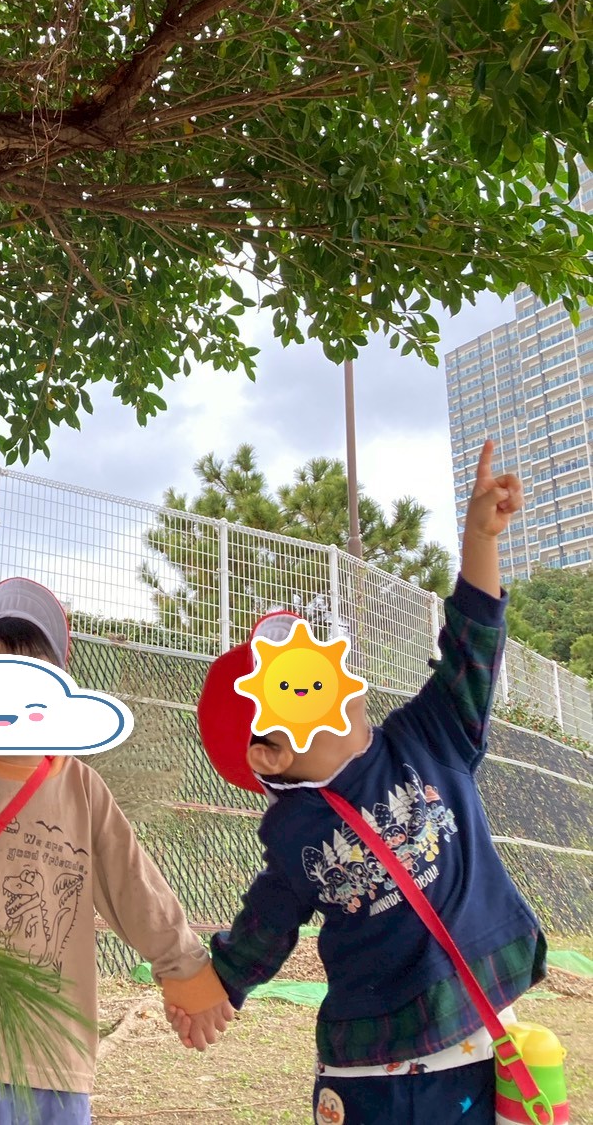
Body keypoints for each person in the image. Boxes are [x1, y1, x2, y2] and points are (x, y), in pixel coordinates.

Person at [179, 441, 545, 1124]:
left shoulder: (429, 734)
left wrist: (479, 539)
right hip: (366, 1070)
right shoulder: (292, 832)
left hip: (472, 1042)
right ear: (269, 757)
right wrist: (213, 988)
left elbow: (472, 643)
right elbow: (264, 927)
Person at [0, 577, 234, 1125]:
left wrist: (185, 969)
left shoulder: (82, 788)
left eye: (31, 679)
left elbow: (135, 886)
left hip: (53, 1055)